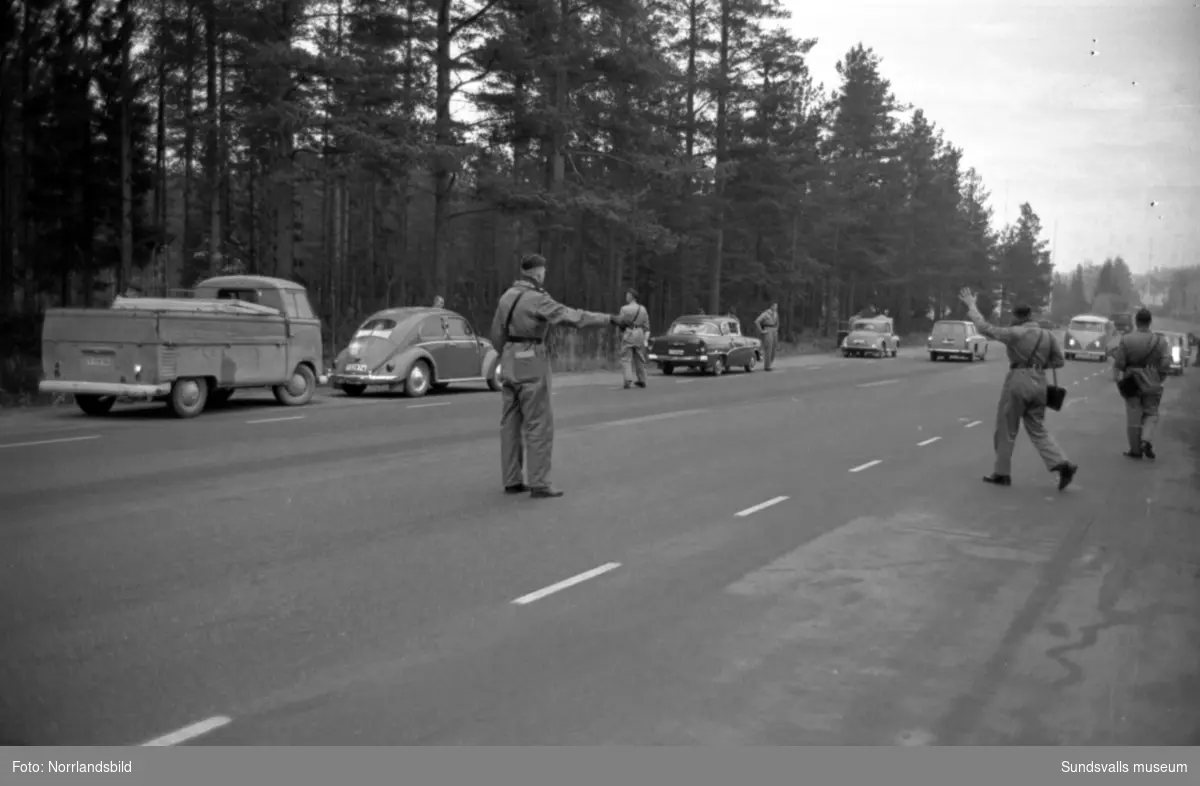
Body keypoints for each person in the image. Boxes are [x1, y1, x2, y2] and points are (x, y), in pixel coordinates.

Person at [490, 253, 618, 498]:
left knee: (510, 423)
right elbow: (574, 317)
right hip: (531, 359)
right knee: (539, 423)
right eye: (544, 271)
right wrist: (609, 319)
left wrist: (508, 353)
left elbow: (497, 334)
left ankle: (512, 480)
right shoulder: (538, 300)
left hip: (508, 359)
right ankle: (539, 483)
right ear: (538, 273)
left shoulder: (506, 296)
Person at [959, 288, 1078, 490]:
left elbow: (984, 327)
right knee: (1037, 428)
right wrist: (1038, 366)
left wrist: (972, 306)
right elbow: (1058, 361)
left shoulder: (1015, 333)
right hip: (1040, 382)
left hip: (1018, 380)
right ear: (1031, 315)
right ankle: (1061, 463)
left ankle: (1002, 473)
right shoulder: (1047, 336)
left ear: (1016, 317)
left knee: (1006, 428)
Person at [1111, 307, 1171, 460]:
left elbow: (1120, 362)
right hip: (1153, 379)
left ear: (1136, 322)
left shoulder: (1126, 339)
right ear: (1150, 322)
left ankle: (1135, 450)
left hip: (1132, 381)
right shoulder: (1161, 341)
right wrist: (1159, 376)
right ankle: (1146, 440)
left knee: (1133, 415)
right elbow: (1165, 363)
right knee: (1151, 412)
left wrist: (1119, 376)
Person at [617, 288, 650, 389]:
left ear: (631, 296)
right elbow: (647, 325)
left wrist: (620, 334)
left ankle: (627, 379)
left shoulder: (624, 309)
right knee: (639, 358)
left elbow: (620, 323)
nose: (626, 297)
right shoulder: (643, 309)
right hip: (640, 333)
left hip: (629, 333)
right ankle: (642, 380)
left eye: (627, 295)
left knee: (626, 358)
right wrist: (645, 338)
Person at [754, 301, 780, 371]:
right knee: (769, 348)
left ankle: (770, 363)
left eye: (776, 306)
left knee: (774, 348)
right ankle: (767, 366)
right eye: (775, 306)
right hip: (768, 329)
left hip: (774, 330)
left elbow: (777, 322)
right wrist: (761, 331)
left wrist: (776, 329)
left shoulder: (775, 314)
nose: (776, 308)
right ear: (771, 306)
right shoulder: (765, 314)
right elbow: (757, 321)